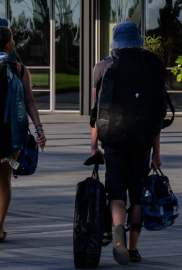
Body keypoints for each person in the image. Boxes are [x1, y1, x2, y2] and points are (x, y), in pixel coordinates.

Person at [90, 21, 162, 265]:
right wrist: (156, 152)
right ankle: (132, 248)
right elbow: (156, 115)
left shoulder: (102, 67)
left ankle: (117, 227)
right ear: (137, 41)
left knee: (117, 191)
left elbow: (96, 113)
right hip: (142, 141)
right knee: (139, 194)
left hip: (112, 139)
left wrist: (94, 146)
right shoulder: (152, 67)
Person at [0, 26, 46, 249]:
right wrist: (39, 129)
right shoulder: (20, 69)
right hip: (9, 136)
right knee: (3, 179)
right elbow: (29, 100)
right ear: (10, 45)